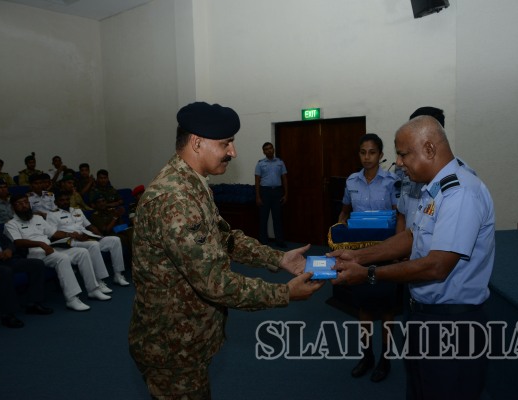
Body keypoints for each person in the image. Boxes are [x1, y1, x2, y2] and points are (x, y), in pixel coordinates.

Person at [128, 101, 324, 398]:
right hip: (172, 348)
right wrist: (284, 293)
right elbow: (215, 283)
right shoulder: (174, 199)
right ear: (197, 143)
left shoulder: (192, 185)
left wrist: (278, 258)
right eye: (226, 143)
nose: (233, 152)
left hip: (189, 338)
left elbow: (225, 238)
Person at [330, 115, 495, 400]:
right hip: (423, 313)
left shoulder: (460, 193)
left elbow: (437, 266)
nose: (399, 162)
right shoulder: (433, 189)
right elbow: (411, 237)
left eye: (403, 154)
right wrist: (358, 256)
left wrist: (369, 274)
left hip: (452, 324)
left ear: (429, 149)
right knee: (420, 389)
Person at [336, 133, 399, 382]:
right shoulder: (351, 181)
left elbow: (399, 216)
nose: (367, 157)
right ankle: (367, 355)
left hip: (387, 253)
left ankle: (386, 358)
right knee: (363, 306)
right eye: (363, 152)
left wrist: (399, 249)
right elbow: (344, 211)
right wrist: (341, 227)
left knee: (387, 308)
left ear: (381, 155)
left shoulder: (392, 181)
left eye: (372, 152)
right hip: (359, 255)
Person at [4, 193, 113, 311]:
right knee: (62, 258)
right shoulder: (10, 224)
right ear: (13, 207)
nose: (24, 205)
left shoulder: (37, 218)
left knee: (82, 252)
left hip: (51, 249)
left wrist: (70, 235)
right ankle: (71, 299)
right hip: (34, 254)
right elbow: (17, 242)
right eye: (19, 204)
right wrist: (41, 244)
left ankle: (93, 290)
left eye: (26, 202)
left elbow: (54, 233)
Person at [0, 203, 53, 328]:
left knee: (36, 264)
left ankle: (33, 303)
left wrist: (9, 250)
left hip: (5, 258)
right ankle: (8, 314)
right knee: (5, 271)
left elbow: (9, 242)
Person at [46, 191, 129, 287]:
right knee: (93, 244)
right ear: (56, 202)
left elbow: (90, 226)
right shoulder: (52, 215)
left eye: (67, 199)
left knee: (114, 240)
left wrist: (101, 236)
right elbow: (53, 234)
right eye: (62, 200)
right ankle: (99, 281)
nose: (65, 202)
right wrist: (71, 235)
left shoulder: (76, 211)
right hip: (72, 240)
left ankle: (118, 275)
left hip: (86, 236)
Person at [254, 142, 288, 247]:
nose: (269, 150)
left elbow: (284, 179)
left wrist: (286, 194)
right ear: (264, 152)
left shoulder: (280, 162)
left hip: (277, 192)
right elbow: (257, 180)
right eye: (266, 149)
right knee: (263, 218)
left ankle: (280, 241)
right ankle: (263, 242)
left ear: (273, 149)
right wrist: (258, 196)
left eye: (270, 148)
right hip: (265, 192)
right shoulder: (260, 163)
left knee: (277, 218)